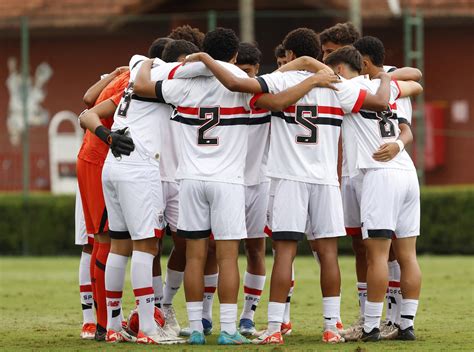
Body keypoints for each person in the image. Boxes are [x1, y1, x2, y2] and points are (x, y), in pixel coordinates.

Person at [182, 27, 392, 345]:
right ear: (316, 54)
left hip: (288, 180)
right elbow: (378, 102)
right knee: (330, 255)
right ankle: (330, 326)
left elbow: (246, 89)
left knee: (284, 255)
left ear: (290, 54)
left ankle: (275, 327)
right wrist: (328, 73)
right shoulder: (338, 85)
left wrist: (292, 71)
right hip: (325, 181)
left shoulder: (279, 79)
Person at [134, 27, 338, 345]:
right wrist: (307, 73)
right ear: (233, 55)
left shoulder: (181, 86)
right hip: (229, 181)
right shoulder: (242, 85)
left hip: (189, 180)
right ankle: (229, 328)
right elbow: (279, 99)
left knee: (194, 257)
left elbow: (142, 86)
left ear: (207, 50)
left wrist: (144, 62)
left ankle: (198, 330)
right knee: (229, 257)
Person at [79, 39, 215, 345]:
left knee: (119, 247)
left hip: (113, 167)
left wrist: (107, 135)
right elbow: (197, 70)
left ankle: (113, 325)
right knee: (145, 247)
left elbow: (85, 114)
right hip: (140, 169)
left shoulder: (134, 79)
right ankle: (148, 329)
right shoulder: (163, 77)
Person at [349, 38, 423, 341]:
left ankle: (370, 327)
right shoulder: (393, 86)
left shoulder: (352, 88)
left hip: (380, 174)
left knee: (376, 256)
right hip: (407, 171)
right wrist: (398, 144)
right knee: (408, 255)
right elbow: (415, 85)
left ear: (363, 63)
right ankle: (406, 324)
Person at [77, 66, 130, 341]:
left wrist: (112, 74)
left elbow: (88, 99)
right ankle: (104, 322)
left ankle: (102, 321)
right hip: (100, 159)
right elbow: (88, 112)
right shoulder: (139, 79)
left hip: (89, 157)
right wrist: (109, 138)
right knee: (104, 239)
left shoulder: (125, 72)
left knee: (99, 240)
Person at [232, 42, 270, 336]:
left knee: (256, 249)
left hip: (259, 183)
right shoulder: (224, 94)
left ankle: (247, 315)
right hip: (227, 182)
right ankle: (206, 315)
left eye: (247, 72)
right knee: (215, 250)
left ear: (257, 69)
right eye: (237, 71)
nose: (242, 77)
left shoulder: (268, 99)